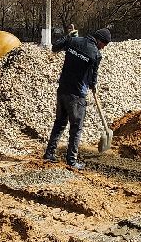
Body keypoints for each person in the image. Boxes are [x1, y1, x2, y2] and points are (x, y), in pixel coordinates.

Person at [43, 27, 111, 171]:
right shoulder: (96, 54)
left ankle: (49, 153)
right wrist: (93, 86)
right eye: (104, 44)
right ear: (99, 40)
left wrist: (68, 37)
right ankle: (71, 161)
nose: (104, 48)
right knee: (76, 128)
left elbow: (55, 47)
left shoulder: (73, 41)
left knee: (59, 123)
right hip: (77, 95)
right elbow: (93, 77)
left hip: (62, 90)